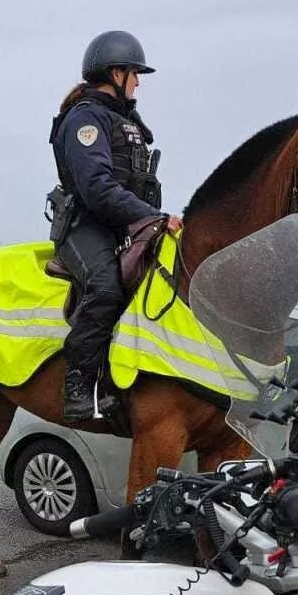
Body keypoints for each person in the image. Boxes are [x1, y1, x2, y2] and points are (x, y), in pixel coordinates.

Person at [47, 30, 181, 422]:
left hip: (121, 227)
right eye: (134, 73)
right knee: (106, 287)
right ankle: (77, 385)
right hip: (84, 228)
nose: (138, 82)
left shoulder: (126, 121)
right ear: (115, 72)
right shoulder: (85, 118)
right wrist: (152, 217)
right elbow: (97, 188)